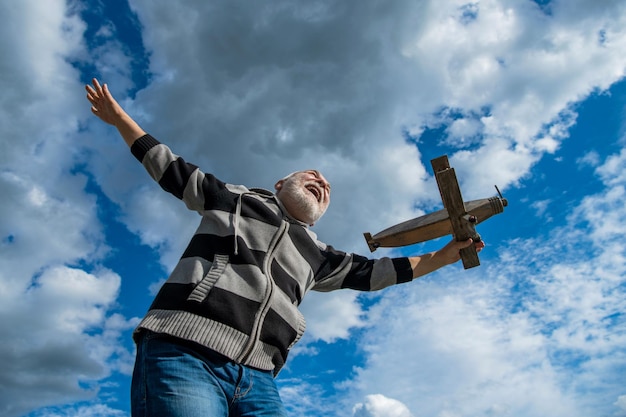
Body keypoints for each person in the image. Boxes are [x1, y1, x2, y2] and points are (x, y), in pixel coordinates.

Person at [85, 78, 484, 417]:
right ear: (280, 184)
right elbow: (169, 166)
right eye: (311, 175)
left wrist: (445, 256)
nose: (321, 182)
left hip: (260, 379)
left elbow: (379, 273)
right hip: (187, 353)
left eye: (326, 189)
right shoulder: (235, 200)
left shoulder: (321, 256)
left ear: (320, 215)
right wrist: (118, 118)